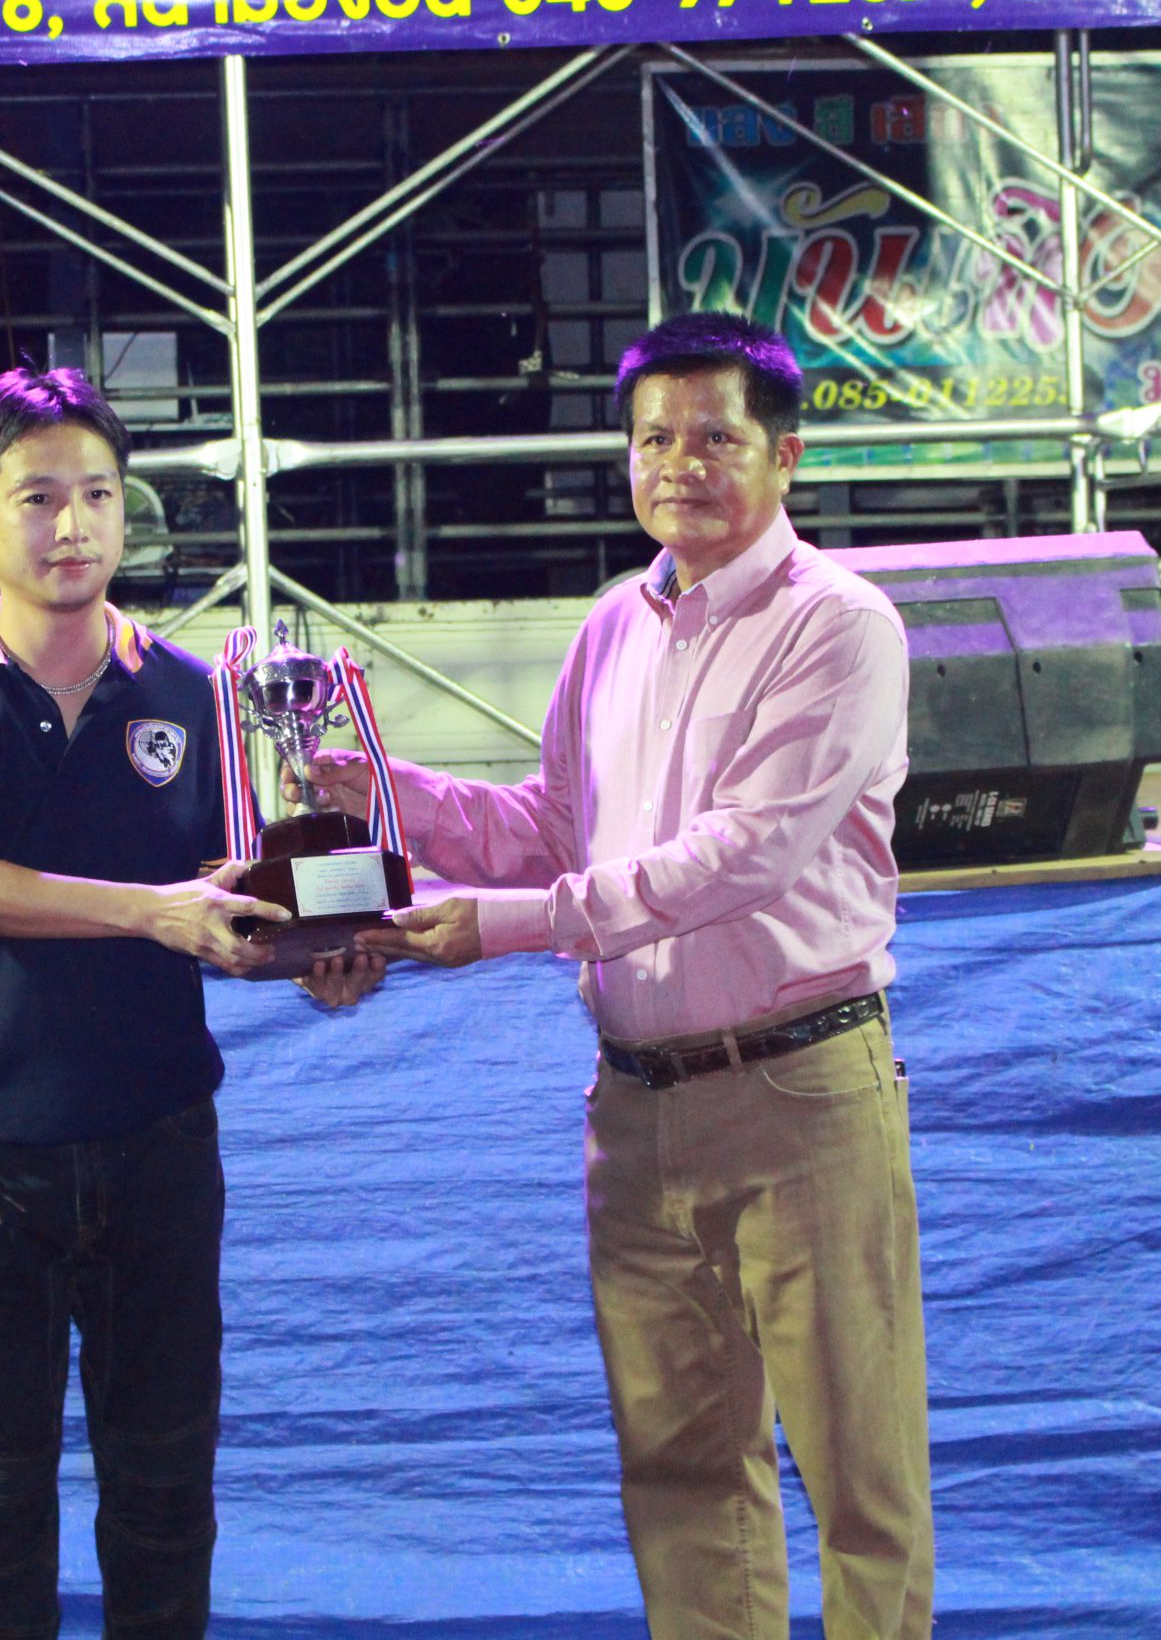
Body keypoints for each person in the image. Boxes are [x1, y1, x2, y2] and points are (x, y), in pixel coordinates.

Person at [320, 313, 932, 1639]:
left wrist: (505, 924)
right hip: (638, 1106)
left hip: (800, 1092)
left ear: (786, 456)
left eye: (716, 436)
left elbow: (740, 856)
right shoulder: (613, 625)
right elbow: (556, 827)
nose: (680, 465)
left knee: (860, 1476)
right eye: (654, 439)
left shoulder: (840, 626)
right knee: (682, 1471)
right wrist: (379, 789)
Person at [0, 364, 375, 1640]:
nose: (73, 524)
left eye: (97, 493)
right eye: (38, 497)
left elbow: (220, 910)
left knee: (164, 1504)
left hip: (158, 1148)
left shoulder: (191, 691)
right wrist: (150, 910)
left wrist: (320, 953)